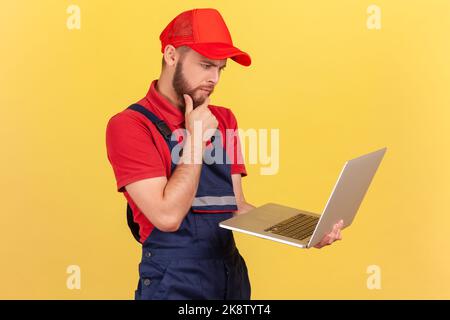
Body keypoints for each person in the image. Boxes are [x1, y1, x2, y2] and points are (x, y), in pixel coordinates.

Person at [105, 8, 343, 300]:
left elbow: (236, 207)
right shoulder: (130, 125)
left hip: (230, 279)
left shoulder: (224, 119)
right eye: (205, 65)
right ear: (171, 56)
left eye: (220, 68)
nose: (214, 78)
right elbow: (166, 216)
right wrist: (194, 140)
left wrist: (304, 233)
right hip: (173, 283)